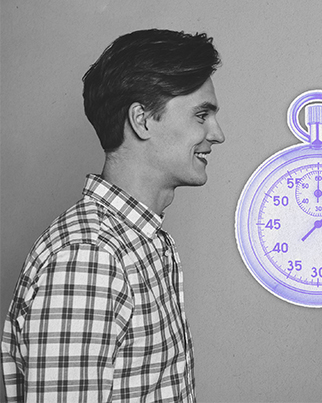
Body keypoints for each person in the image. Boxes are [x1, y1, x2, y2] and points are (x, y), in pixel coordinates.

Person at [1, 29, 225, 402]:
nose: (217, 134)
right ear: (142, 120)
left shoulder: (141, 243)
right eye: (201, 115)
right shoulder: (90, 257)